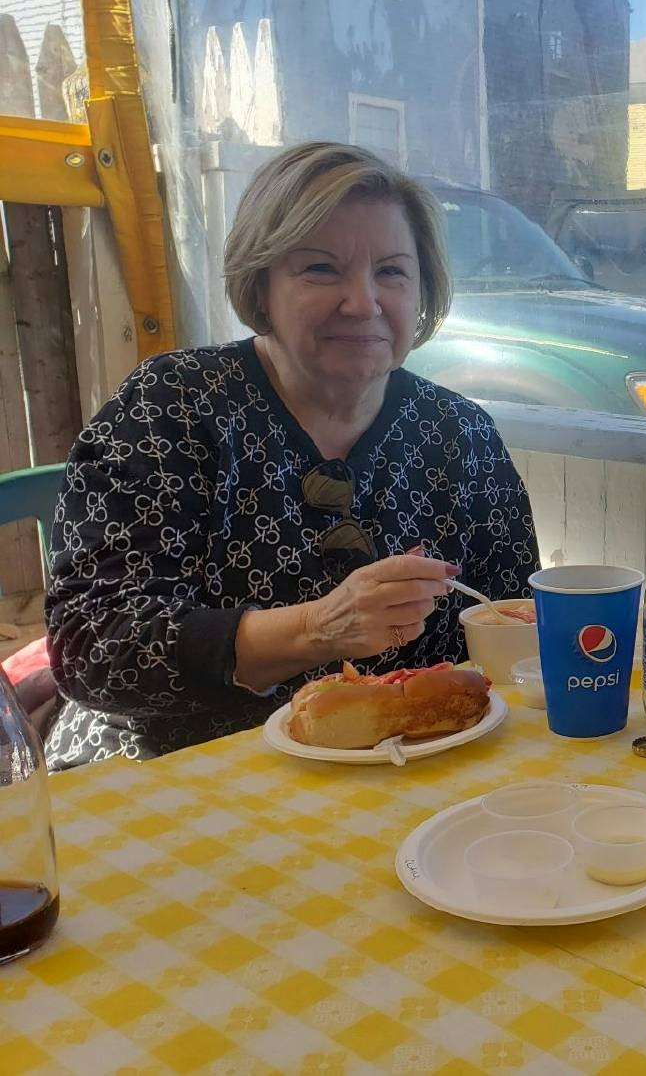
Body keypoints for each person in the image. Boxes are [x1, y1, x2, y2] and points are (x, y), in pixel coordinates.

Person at [45, 142, 538, 768]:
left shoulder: (460, 434)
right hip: (175, 767)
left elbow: (512, 628)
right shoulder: (171, 407)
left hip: (408, 765)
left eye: (391, 271)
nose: (362, 302)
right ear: (261, 285)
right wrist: (320, 627)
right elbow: (92, 648)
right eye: (321, 270)